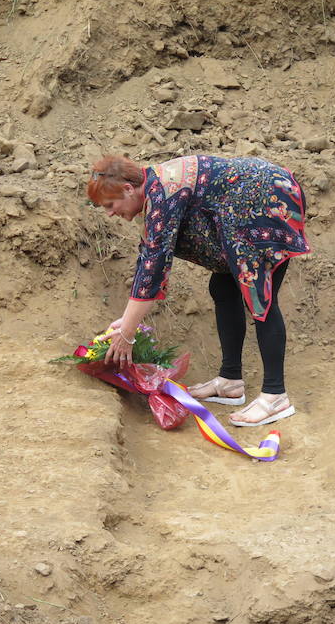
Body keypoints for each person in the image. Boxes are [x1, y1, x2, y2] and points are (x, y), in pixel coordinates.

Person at [86, 154, 310, 427]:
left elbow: (155, 267)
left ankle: (276, 396)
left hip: (267, 200)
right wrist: (127, 321)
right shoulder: (155, 192)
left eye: (110, 204)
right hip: (238, 208)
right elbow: (148, 256)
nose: (110, 212)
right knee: (223, 286)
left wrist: (128, 333)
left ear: (128, 189)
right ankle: (230, 381)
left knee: (259, 295)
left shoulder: (164, 194)